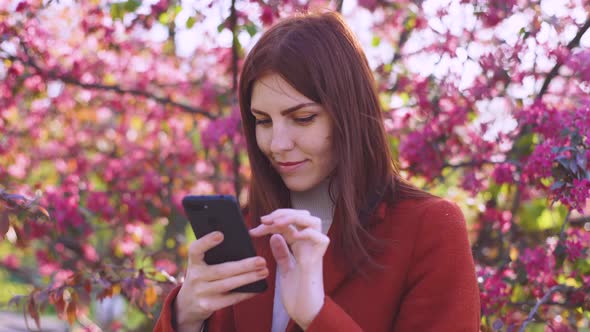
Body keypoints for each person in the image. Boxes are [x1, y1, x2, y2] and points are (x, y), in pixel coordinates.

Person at [155, 10, 480, 332]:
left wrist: (317, 315)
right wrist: (186, 316)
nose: (278, 143)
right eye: (263, 121)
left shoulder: (427, 228)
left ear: (349, 114)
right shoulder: (248, 232)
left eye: (303, 118)